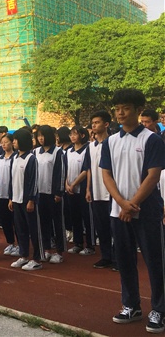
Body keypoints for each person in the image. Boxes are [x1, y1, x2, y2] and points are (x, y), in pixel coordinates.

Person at [101, 89, 165, 332]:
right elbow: (106, 174)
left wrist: (132, 204)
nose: (120, 112)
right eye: (117, 108)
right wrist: (121, 202)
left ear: (138, 110)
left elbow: (153, 175)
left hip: (146, 211)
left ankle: (159, 309)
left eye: (125, 108)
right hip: (118, 211)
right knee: (125, 260)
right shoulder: (110, 142)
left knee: (155, 261)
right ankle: (131, 305)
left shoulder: (151, 140)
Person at [84, 110, 115, 269]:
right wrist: (88, 189)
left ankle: (117, 258)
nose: (94, 126)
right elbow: (89, 169)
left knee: (114, 228)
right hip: (96, 192)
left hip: (111, 193)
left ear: (106, 124)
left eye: (97, 122)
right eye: (93, 123)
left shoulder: (113, 143)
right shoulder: (91, 146)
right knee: (101, 227)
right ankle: (106, 256)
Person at [9, 128, 41, 271]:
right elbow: (12, 179)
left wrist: (31, 200)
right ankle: (23, 255)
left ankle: (37, 258)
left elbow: (34, 181)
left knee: (33, 230)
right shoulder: (14, 158)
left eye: (16, 140)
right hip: (16, 200)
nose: (13, 142)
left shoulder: (31, 159)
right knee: (20, 229)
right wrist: (11, 198)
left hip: (27, 200)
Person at [34, 125, 66, 264]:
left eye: (43, 135)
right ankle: (46, 249)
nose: (41, 138)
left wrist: (59, 192)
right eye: (38, 136)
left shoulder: (58, 152)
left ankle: (59, 251)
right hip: (39, 193)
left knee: (57, 222)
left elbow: (61, 172)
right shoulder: (36, 152)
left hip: (53, 193)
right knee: (43, 222)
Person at [65, 126, 95, 255]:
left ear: (82, 135)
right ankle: (78, 243)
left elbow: (86, 170)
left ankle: (90, 245)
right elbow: (65, 169)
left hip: (82, 189)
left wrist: (74, 183)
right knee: (74, 217)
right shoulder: (68, 151)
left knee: (87, 217)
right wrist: (66, 184)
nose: (72, 137)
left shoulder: (87, 149)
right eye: (70, 134)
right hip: (70, 189)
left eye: (75, 134)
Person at [0, 133, 18, 256]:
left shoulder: (16, 157)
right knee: (5, 221)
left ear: (12, 142)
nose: (3, 144)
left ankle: (20, 244)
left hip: (13, 194)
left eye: (6, 142)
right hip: (1, 194)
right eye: (2, 143)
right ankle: (11, 243)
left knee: (16, 221)